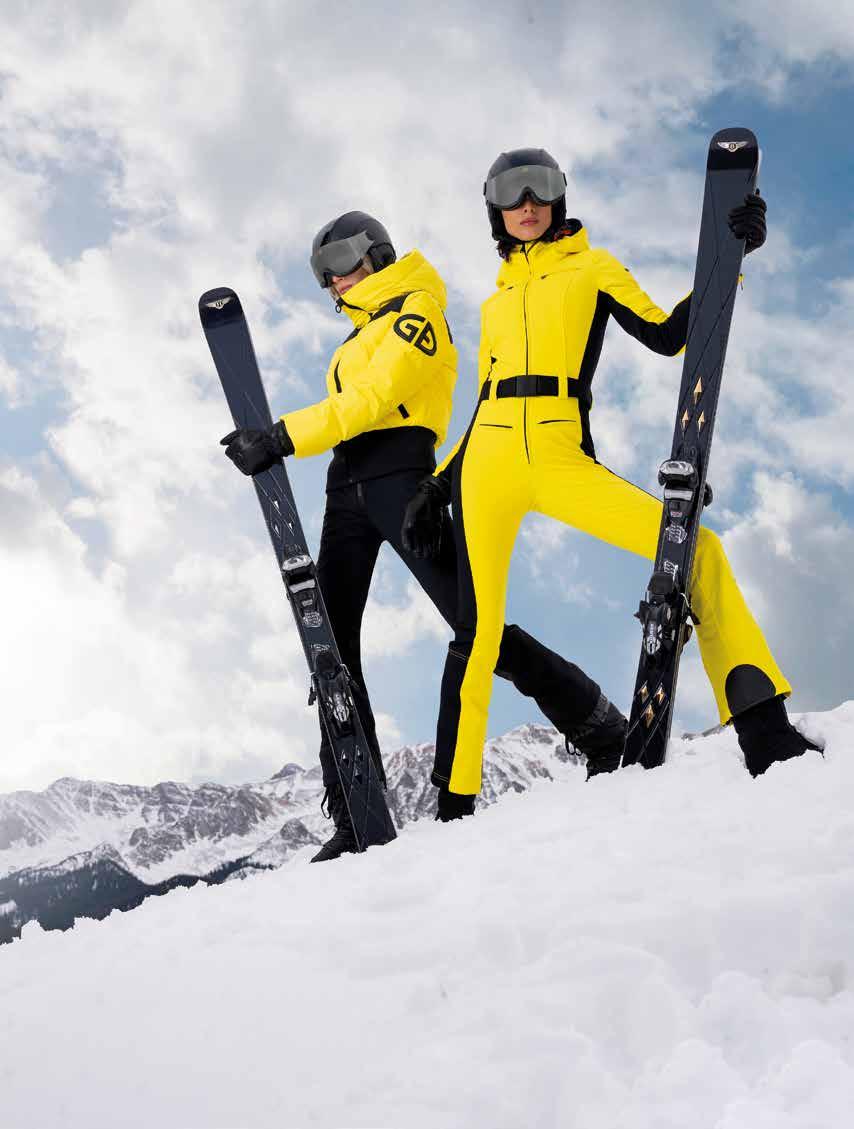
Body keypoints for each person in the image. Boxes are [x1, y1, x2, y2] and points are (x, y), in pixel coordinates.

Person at [405, 147, 821, 805]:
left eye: (540, 188)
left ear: (559, 197)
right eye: (511, 194)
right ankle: (454, 806)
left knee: (698, 549)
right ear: (494, 210)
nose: (527, 204)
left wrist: (730, 257)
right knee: (478, 634)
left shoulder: (593, 268)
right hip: (486, 462)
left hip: (559, 454)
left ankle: (766, 733)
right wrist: (436, 485)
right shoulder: (494, 302)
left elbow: (667, 334)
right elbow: (483, 402)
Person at [221, 210, 626, 860]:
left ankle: (600, 728)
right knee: (329, 651)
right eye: (323, 274)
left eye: (342, 263)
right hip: (344, 489)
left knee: (476, 626)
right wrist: (287, 442)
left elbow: (374, 399)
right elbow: (351, 408)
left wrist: (281, 438)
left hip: (401, 484)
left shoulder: (419, 313)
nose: (334, 281)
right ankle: (355, 811)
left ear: (378, 254)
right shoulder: (356, 337)